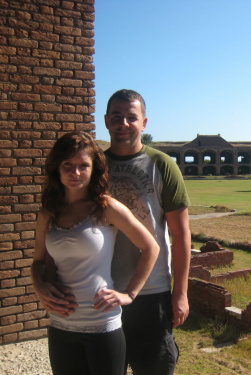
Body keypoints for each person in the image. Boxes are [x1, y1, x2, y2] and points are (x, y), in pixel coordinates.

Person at [31, 131, 160, 375]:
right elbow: (38, 261)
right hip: (60, 324)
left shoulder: (105, 207)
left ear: (94, 169)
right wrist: (39, 285)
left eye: (83, 165)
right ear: (57, 168)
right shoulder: (48, 212)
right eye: (68, 165)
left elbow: (151, 247)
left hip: (102, 325)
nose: (75, 172)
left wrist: (130, 294)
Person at [104, 89, 192, 375]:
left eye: (132, 117)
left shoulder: (162, 165)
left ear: (144, 123)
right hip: (103, 289)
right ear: (106, 121)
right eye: (117, 117)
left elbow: (180, 235)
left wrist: (180, 293)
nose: (124, 123)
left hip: (152, 292)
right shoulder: (93, 166)